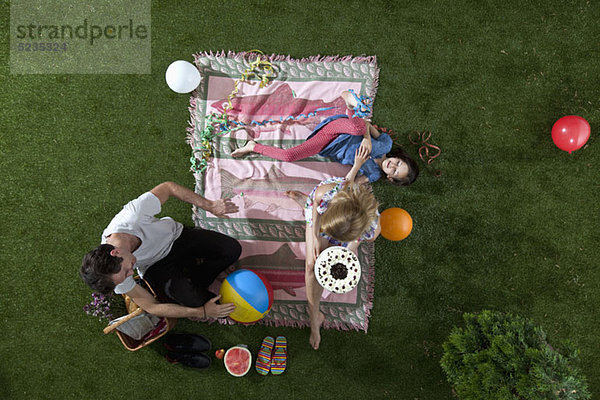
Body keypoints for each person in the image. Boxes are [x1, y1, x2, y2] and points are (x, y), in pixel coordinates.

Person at [80, 181, 241, 320]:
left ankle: (190, 278)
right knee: (204, 304)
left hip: (176, 237)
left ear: (116, 252)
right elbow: (151, 306)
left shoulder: (132, 216)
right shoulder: (114, 278)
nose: (131, 275)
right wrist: (202, 312)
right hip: (155, 267)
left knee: (232, 250)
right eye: (126, 275)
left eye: (127, 271)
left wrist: (211, 206)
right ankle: (191, 281)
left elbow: (168, 187)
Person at [286, 146, 381, 350]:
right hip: (323, 216)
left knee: (327, 262)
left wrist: (350, 249)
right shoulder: (327, 194)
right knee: (312, 264)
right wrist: (314, 235)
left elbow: (361, 239)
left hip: (342, 228)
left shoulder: (371, 228)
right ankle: (314, 317)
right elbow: (319, 213)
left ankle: (312, 213)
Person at [231, 91, 419, 186]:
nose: (392, 166)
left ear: (390, 178)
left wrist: (357, 164)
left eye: (395, 172)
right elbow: (368, 126)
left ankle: (252, 146)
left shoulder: (373, 175)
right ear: (397, 157)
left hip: (328, 142)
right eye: (397, 163)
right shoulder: (386, 144)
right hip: (341, 127)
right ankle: (350, 103)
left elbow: (347, 184)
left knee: (289, 156)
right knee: (359, 128)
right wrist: (368, 139)